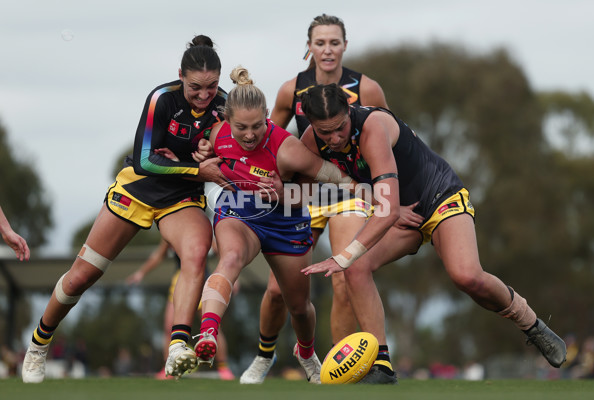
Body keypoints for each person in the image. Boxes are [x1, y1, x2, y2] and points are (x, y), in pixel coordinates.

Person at [299, 83, 568, 383]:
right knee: (356, 267)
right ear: (311, 125)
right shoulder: (311, 140)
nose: (335, 138)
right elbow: (304, 184)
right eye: (326, 132)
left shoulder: (372, 127)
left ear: (349, 111)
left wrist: (347, 250)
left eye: (340, 128)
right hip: (401, 214)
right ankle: (382, 366)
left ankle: (531, 323)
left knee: (467, 276)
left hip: (439, 197)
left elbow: (381, 206)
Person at [21, 35, 229, 383]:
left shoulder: (226, 105)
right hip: (140, 188)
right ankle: (39, 344)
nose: (204, 95)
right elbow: (146, 160)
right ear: (180, 75)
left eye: (212, 86)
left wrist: (214, 155)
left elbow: (237, 150)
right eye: (196, 87)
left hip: (182, 197)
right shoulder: (161, 99)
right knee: (81, 277)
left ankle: (178, 344)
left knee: (197, 252)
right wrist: (196, 168)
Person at [240, 14, 389, 385]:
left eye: (334, 42)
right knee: (279, 290)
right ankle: (264, 356)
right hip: (305, 194)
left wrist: (383, 193)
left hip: (349, 193)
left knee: (345, 275)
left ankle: (340, 369)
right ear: (308, 46)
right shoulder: (292, 89)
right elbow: (264, 137)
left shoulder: (366, 88)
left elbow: (388, 140)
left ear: (344, 46)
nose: (327, 50)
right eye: (319, 42)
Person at [190, 66, 356, 384]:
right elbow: (208, 157)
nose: (249, 135)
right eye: (241, 127)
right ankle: (209, 334)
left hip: (286, 221)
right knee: (231, 258)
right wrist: (201, 156)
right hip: (239, 210)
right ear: (227, 120)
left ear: (267, 115)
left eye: (256, 126)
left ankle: (305, 353)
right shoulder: (217, 134)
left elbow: (336, 180)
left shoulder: (289, 150)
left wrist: (288, 192)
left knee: (294, 303)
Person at [126, 238, 235, 380]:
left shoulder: (204, 230)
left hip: (202, 279)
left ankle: (223, 368)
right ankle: (169, 367)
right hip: (180, 280)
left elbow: (222, 254)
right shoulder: (170, 233)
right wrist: (141, 273)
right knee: (168, 326)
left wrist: (231, 278)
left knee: (211, 326)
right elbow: (158, 255)